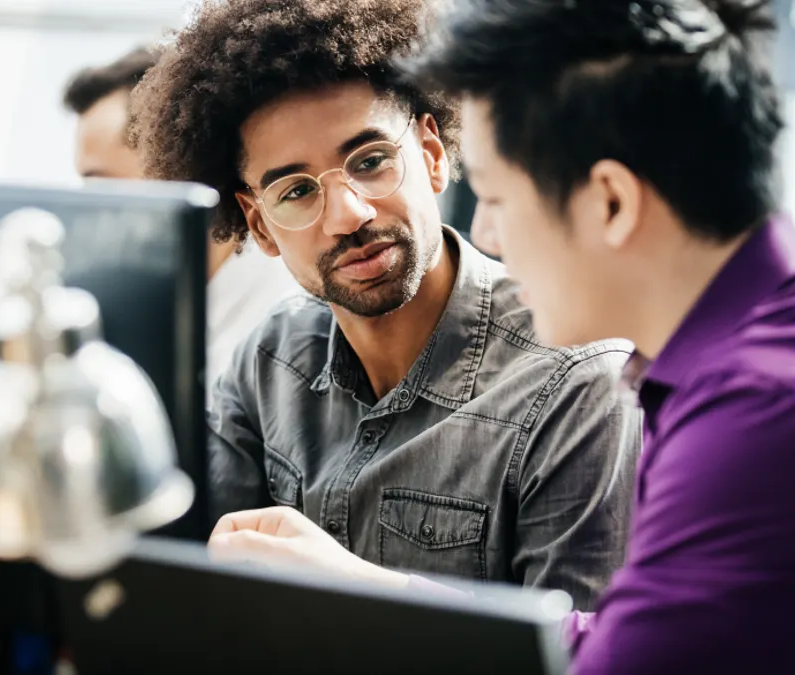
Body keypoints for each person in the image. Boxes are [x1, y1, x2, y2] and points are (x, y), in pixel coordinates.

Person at [403, 0, 795, 672]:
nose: (485, 236)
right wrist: (382, 591)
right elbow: (638, 631)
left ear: (611, 200)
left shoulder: (770, 426)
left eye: (493, 197)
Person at [130, 0, 641, 607]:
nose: (349, 216)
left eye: (371, 162)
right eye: (295, 192)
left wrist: (363, 592)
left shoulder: (578, 384)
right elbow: (201, 598)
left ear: (431, 155)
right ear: (260, 225)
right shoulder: (268, 363)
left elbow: (586, 656)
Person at [63, 47, 300, 393]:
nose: (88, 213)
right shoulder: (149, 302)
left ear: (175, 164)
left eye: (100, 186)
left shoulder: (284, 322)